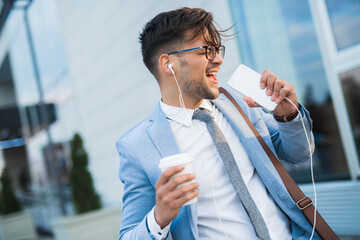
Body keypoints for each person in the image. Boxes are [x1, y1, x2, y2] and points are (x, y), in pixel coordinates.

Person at [116, 7, 319, 240]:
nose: (219, 59)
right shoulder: (137, 147)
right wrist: (158, 217)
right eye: (207, 50)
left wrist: (288, 117)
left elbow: (299, 153)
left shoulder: (240, 104)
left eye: (218, 49)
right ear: (167, 64)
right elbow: (128, 235)